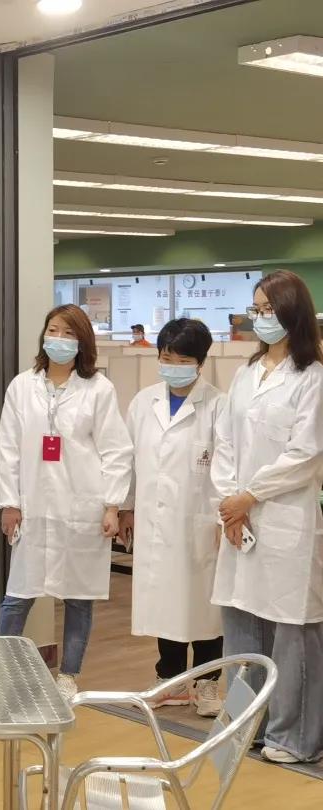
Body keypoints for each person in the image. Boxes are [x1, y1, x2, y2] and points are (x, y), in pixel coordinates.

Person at [212, 270, 323, 764]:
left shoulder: (312, 377)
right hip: (240, 520)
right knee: (241, 625)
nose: (259, 318)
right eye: (255, 309)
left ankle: (292, 736)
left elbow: (305, 455)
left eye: (268, 309)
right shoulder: (246, 373)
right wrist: (230, 502)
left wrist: (250, 497)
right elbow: (225, 442)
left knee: (291, 630)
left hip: (284, 520)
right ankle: (245, 725)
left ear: (292, 313)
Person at [0, 303, 133, 699]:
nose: (59, 339)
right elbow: (7, 448)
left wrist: (112, 505)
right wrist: (10, 502)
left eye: (69, 333)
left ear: (82, 342)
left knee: (78, 596)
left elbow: (116, 450)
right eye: (53, 330)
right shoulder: (22, 386)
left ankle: (69, 675)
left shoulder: (98, 389)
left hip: (81, 505)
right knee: (18, 595)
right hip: (34, 504)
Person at [121, 319, 224, 717]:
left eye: (184, 360)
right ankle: (170, 680)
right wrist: (126, 506)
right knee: (165, 600)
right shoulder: (143, 403)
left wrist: (222, 517)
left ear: (200, 362)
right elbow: (128, 460)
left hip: (201, 521)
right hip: (155, 520)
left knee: (204, 607)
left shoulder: (218, 405)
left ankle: (208, 683)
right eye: (167, 357)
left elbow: (227, 466)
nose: (174, 366)